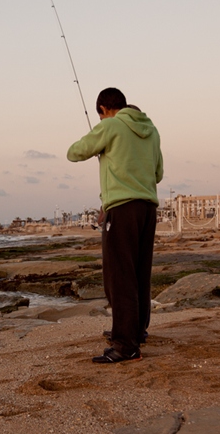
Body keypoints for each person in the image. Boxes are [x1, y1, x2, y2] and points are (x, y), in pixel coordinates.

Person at [67, 88, 163, 363]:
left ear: (103, 109)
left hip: (122, 209)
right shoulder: (152, 131)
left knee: (119, 277)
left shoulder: (110, 125)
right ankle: (135, 331)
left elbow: (74, 153)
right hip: (148, 208)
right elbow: (158, 173)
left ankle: (125, 345)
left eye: (100, 116)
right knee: (140, 273)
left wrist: (100, 137)